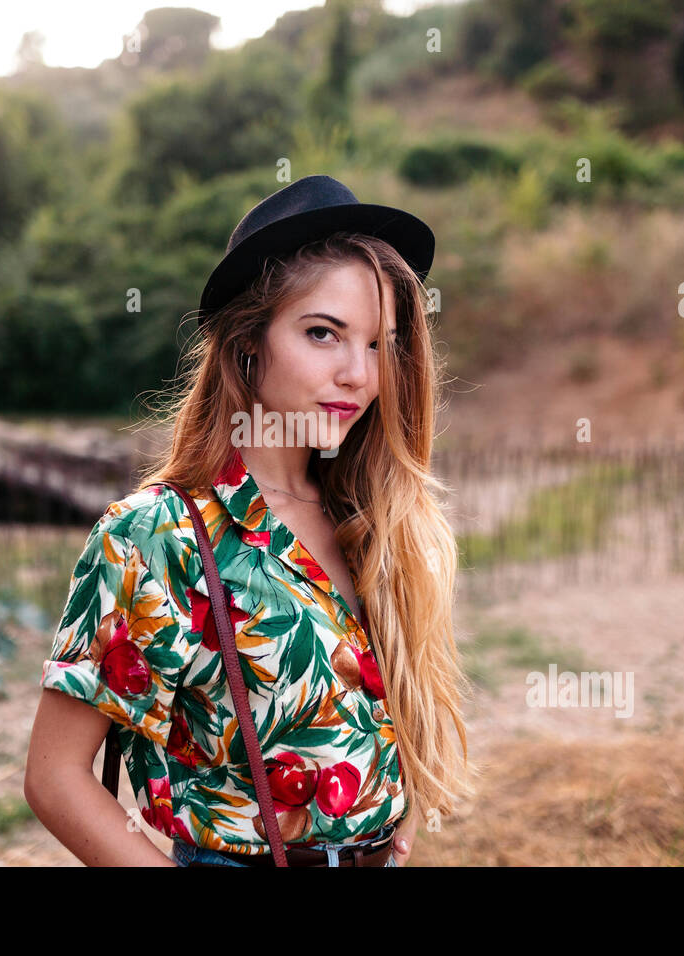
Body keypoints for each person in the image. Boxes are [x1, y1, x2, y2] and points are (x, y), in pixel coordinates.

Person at [24, 175, 478, 866]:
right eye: (323, 333)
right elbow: (55, 779)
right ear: (248, 342)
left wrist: (395, 824)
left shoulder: (377, 518)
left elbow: (391, 711)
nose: (358, 373)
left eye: (379, 344)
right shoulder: (158, 534)